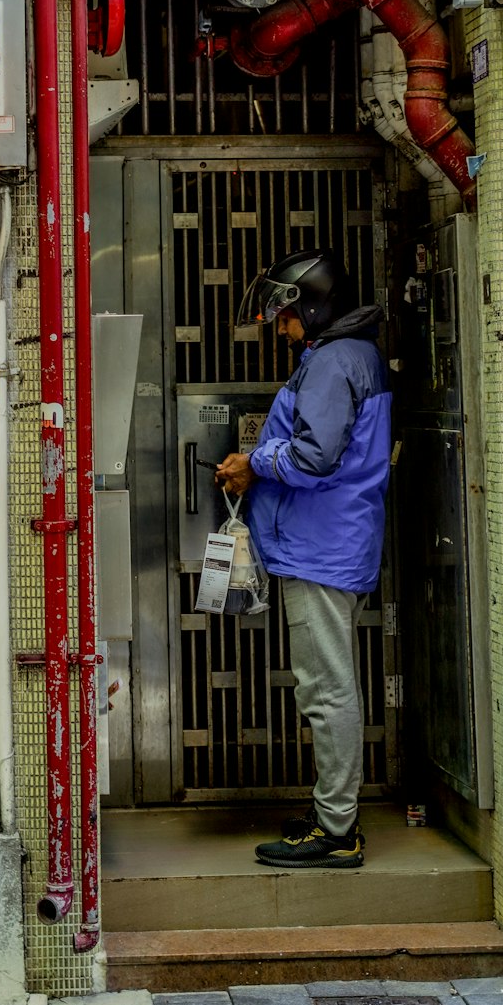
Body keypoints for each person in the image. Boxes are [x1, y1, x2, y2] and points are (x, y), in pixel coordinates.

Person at [215, 248, 391, 871]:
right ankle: (329, 813)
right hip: (329, 545)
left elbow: (316, 458)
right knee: (328, 683)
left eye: (286, 316)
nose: (281, 327)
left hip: (321, 551)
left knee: (326, 689)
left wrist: (252, 463)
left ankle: (336, 830)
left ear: (313, 307)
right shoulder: (349, 355)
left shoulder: (335, 361)